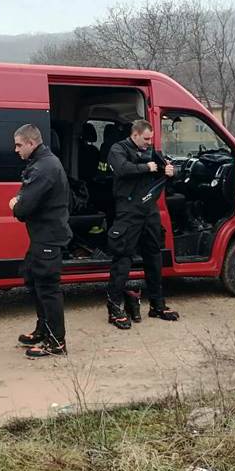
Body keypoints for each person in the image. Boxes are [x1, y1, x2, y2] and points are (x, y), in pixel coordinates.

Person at [105, 119, 180, 329]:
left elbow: (166, 167)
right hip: (128, 211)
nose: (149, 143)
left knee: (154, 256)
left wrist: (171, 172)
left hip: (149, 210)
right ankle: (114, 308)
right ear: (135, 134)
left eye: (151, 139)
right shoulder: (118, 149)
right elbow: (121, 169)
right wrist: (145, 167)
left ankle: (157, 305)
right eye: (146, 139)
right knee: (123, 259)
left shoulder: (151, 151)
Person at [10, 124, 71, 358]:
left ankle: (56, 343)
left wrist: (16, 205)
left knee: (48, 289)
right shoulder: (41, 163)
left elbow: (23, 207)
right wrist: (21, 201)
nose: (15, 150)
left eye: (18, 145)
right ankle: (43, 330)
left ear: (31, 143)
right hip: (41, 236)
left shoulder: (45, 167)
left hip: (49, 237)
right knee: (34, 282)